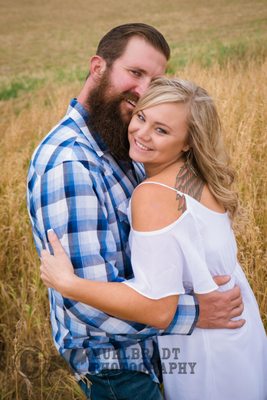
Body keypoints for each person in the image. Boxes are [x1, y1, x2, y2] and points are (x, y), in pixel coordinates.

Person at [27, 23, 244, 399]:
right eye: (135, 73)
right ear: (98, 67)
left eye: (155, 80)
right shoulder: (70, 163)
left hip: (160, 351)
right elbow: (87, 301)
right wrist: (194, 315)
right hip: (118, 368)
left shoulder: (124, 137)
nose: (144, 91)